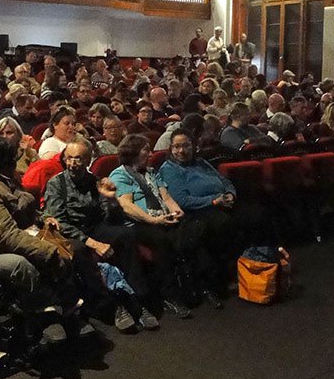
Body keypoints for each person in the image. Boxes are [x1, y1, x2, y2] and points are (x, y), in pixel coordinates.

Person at [0, 137, 92, 341]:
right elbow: (5, 235)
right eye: (13, 159)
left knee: (73, 248)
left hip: (19, 236)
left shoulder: (4, 179)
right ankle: (45, 313)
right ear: (5, 162)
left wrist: (43, 218)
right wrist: (46, 251)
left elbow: (24, 210)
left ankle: (66, 307)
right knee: (24, 264)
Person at [44, 138, 159, 331]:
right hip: (71, 231)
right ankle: (112, 306)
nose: (72, 163)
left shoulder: (94, 181)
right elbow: (60, 222)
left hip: (94, 227)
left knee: (126, 235)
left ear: (87, 160)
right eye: (69, 158)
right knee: (80, 251)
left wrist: (111, 200)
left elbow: (110, 218)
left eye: (78, 159)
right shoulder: (57, 184)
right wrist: (94, 243)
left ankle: (138, 299)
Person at [159, 129, 269, 304]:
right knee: (225, 223)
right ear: (170, 148)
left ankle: (257, 265)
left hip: (221, 202)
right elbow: (182, 200)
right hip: (198, 211)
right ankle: (228, 274)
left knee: (256, 214)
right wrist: (214, 201)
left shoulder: (201, 162)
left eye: (186, 145)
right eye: (176, 146)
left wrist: (230, 194)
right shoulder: (170, 169)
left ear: (193, 146)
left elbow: (224, 181)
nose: (181, 151)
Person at [109, 134, 193, 319]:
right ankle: (169, 294)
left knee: (191, 229)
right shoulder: (120, 174)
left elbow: (166, 198)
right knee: (161, 239)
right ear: (132, 152)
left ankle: (193, 284)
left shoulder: (152, 172)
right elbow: (126, 206)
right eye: (146, 150)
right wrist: (153, 220)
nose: (151, 154)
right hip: (139, 223)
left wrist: (177, 211)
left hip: (162, 216)